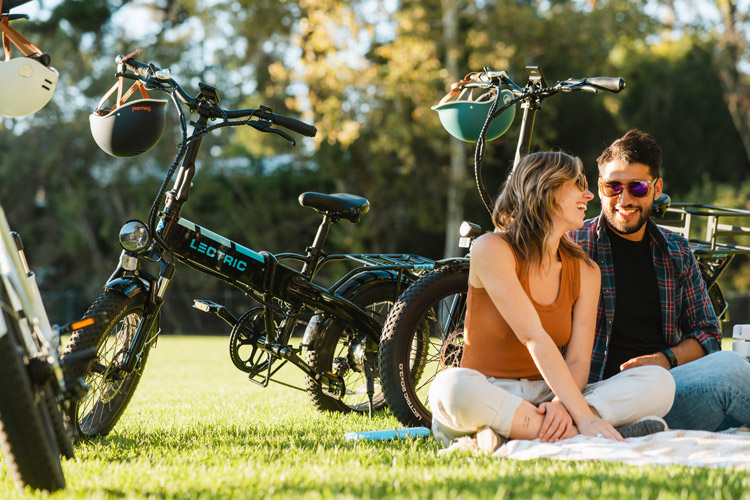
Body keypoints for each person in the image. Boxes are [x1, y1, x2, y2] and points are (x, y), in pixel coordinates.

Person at [429, 151, 675, 453]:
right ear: (545, 189)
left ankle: (511, 434)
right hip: (490, 392)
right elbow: (533, 336)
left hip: (549, 395)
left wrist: (561, 404)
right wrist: (581, 415)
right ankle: (577, 432)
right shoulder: (492, 249)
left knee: (658, 382)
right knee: (450, 389)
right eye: (578, 183)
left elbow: (577, 361)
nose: (588, 194)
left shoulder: (586, 271)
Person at [572, 128, 750, 431]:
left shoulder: (676, 250)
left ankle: (633, 431)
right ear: (598, 188)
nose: (624, 199)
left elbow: (707, 333)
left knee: (732, 373)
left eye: (637, 188)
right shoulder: (574, 246)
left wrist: (666, 359)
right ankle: (613, 428)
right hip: (595, 394)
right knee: (734, 376)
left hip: (663, 390)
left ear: (656, 188)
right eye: (612, 187)